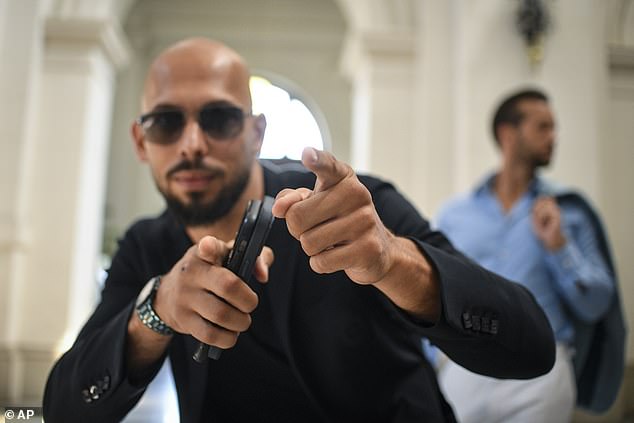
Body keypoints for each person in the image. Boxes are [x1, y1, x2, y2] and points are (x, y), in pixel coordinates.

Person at [43, 38, 555, 423]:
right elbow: (64, 408)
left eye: (219, 118)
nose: (192, 144)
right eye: (166, 123)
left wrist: (393, 261)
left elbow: (530, 345)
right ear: (140, 141)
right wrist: (154, 312)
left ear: (256, 132)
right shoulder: (147, 248)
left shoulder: (353, 211)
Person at [434, 89, 626, 422]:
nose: (553, 137)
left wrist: (559, 246)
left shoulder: (571, 213)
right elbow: (432, 288)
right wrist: (434, 358)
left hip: (541, 373)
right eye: (543, 127)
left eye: (554, 128)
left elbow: (597, 303)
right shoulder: (454, 216)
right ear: (508, 134)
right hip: (464, 369)